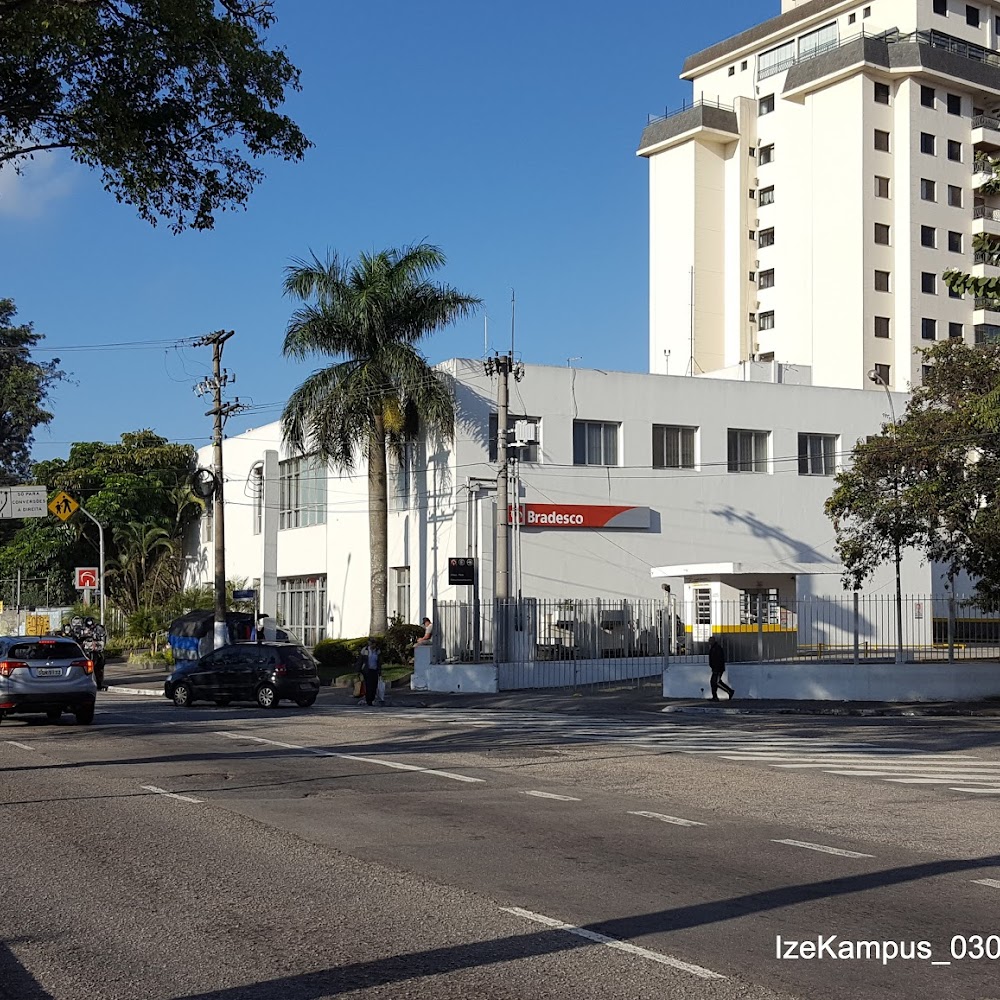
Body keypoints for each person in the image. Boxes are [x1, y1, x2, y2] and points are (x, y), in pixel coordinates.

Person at [708, 635, 734, 701]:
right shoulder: (714, 648)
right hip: (716, 668)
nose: (709, 642)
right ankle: (715, 696)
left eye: (710, 641)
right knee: (714, 682)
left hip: (718, 669)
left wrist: (717, 668)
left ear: (714, 641)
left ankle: (729, 691)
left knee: (716, 682)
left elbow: (719, 659)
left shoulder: (716, 648)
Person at [360, 638, 382, 707]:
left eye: (373, 643)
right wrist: (359, 670)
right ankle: (368, 700)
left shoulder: (377, 651)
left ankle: (372, 699)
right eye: (370, 643)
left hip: (374, 670)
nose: (372, 645)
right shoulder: (365, 650)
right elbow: (360, 660)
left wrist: (380, 671)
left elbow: (379, 662)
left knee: (374, 686)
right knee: (368, 686)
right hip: (367, 670)